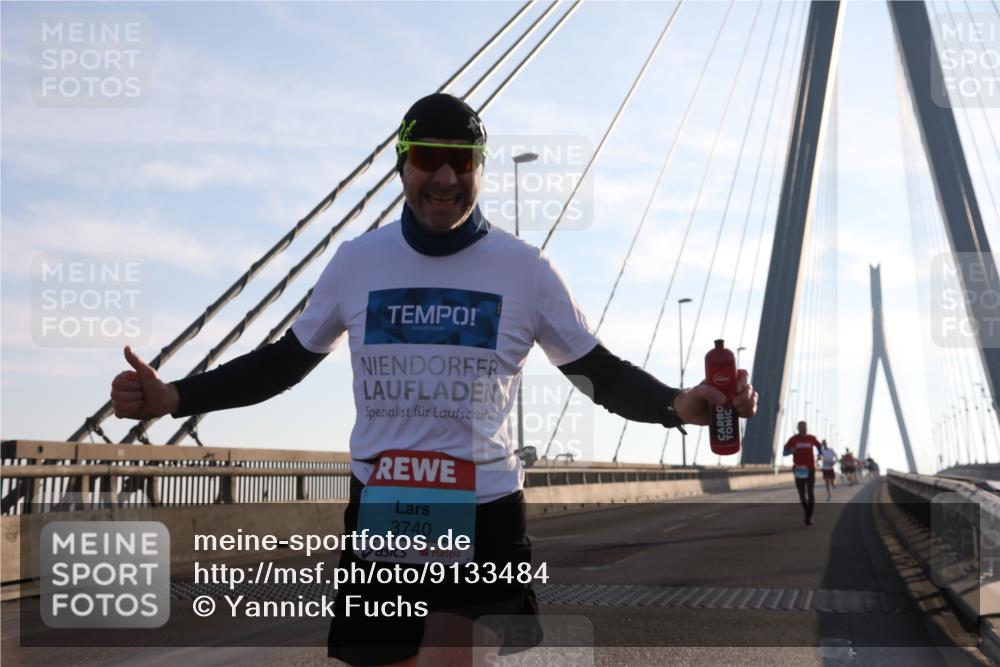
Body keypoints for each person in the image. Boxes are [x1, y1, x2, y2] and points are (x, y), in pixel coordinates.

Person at [109, 93, 759, 667]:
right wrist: (176, 397)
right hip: (383, 512)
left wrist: (678, 404)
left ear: (479, 168)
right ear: (402, 165)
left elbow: (599, 374)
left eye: (462, 160)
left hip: (483, 514)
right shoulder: (356, 263)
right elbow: (283, 363)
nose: (445, 177)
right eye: (427, 158)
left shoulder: (525, 270)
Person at [782, 421, 824, 525]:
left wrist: (820, 454)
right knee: (802, 494)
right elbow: (784, 453)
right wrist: (791, 451)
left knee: (810, 493)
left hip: (810, 469)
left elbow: (819, 446)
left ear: (806, 428)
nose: (802, 429)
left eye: (803, 427)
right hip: (798, 469)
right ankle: (807, 513)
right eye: (800, 427)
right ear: (797, 428)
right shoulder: (793, 439)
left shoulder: (811, 438)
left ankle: (808, 517)